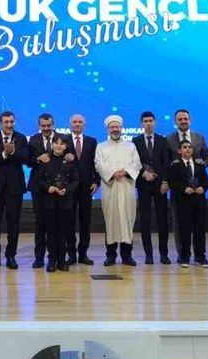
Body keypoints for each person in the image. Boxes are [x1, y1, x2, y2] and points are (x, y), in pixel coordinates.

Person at [95, 114, 142, 266]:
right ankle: (110, 255)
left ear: (121, 128)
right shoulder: (101, 146)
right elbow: (98, 164)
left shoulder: (130, 146)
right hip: (110, 188)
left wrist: (126, 172)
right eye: (112, 127)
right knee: (111, 221)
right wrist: (112, 173)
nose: (115, 129)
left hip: (127, 187)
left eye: (117, 126)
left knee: (128, 220)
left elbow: (137, 164)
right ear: (108, 129)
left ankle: (127, 256)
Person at [0, 111, 28, 269]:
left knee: (13, 223)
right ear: (0, 123)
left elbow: (25, 158)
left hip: (15, 187)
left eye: (11, 122)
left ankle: (11, 256)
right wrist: (4, 154)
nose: (9, 125)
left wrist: (13, 152)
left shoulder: (21, 138)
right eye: (6, 122)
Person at [132, 111, 173, 265]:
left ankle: (164, 254)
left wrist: (165, 181)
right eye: (145, 121)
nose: (148, 123)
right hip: (143, 184)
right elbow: (133, 162)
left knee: (162, 220)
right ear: (141, 123)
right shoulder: (135, 141)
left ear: (155, 122)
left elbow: (167, 163)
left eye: (150, 120)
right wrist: (143, 173)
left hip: (160, 185)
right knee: (145, 220)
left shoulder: (163, 140)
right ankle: (148, 254)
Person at [33, 136, 77, 272]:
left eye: (62, 144)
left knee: (63, 232)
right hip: (49, 202)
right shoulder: (45, 160)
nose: (58, 146)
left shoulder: (70, 161)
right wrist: (48, 188)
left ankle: (62, 261)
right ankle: (51, 260)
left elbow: (75, 180)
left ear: (66, 146)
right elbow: (39, 180)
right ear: (52, 145)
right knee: (51, 233)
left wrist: (67, 189)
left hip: (65, 202)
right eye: (56, 143)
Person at [168, 140, 208, 267]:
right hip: (183, 202)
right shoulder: (175, 166)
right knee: (184, 230)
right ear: (179, 150)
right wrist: (184, 189)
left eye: (189, 147)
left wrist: (203, 188)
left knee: (199, 230)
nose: (187, 149)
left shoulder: (199, 165)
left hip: (198, 202)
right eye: (184, 147)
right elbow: (172, 183)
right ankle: (184, 257)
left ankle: (200, 256)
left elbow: (206, 181)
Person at [27, 113, 60, 268]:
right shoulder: (33, 140)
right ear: (39, 125)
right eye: (43, 125)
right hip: (38, 188)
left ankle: (55, 257)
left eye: (49, 125)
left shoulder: (62, 138)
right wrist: (37, 159)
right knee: (40, 224)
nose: (46, 128)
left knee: (56, 225)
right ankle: (39, 257)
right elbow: (28, 161)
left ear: (53, 124)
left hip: (57, 188)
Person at [66, 114, 98, 266]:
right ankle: (71, 255)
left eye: (80, 122)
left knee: (85, 222)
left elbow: (96, 163)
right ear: (70, 124)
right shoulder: (63, 140)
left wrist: (96, 181)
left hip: (87, 187)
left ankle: (83, 254)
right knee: (69, 222)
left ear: (84, 124)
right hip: (69, 188)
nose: (77, 124)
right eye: (74, 122)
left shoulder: (92, 141)